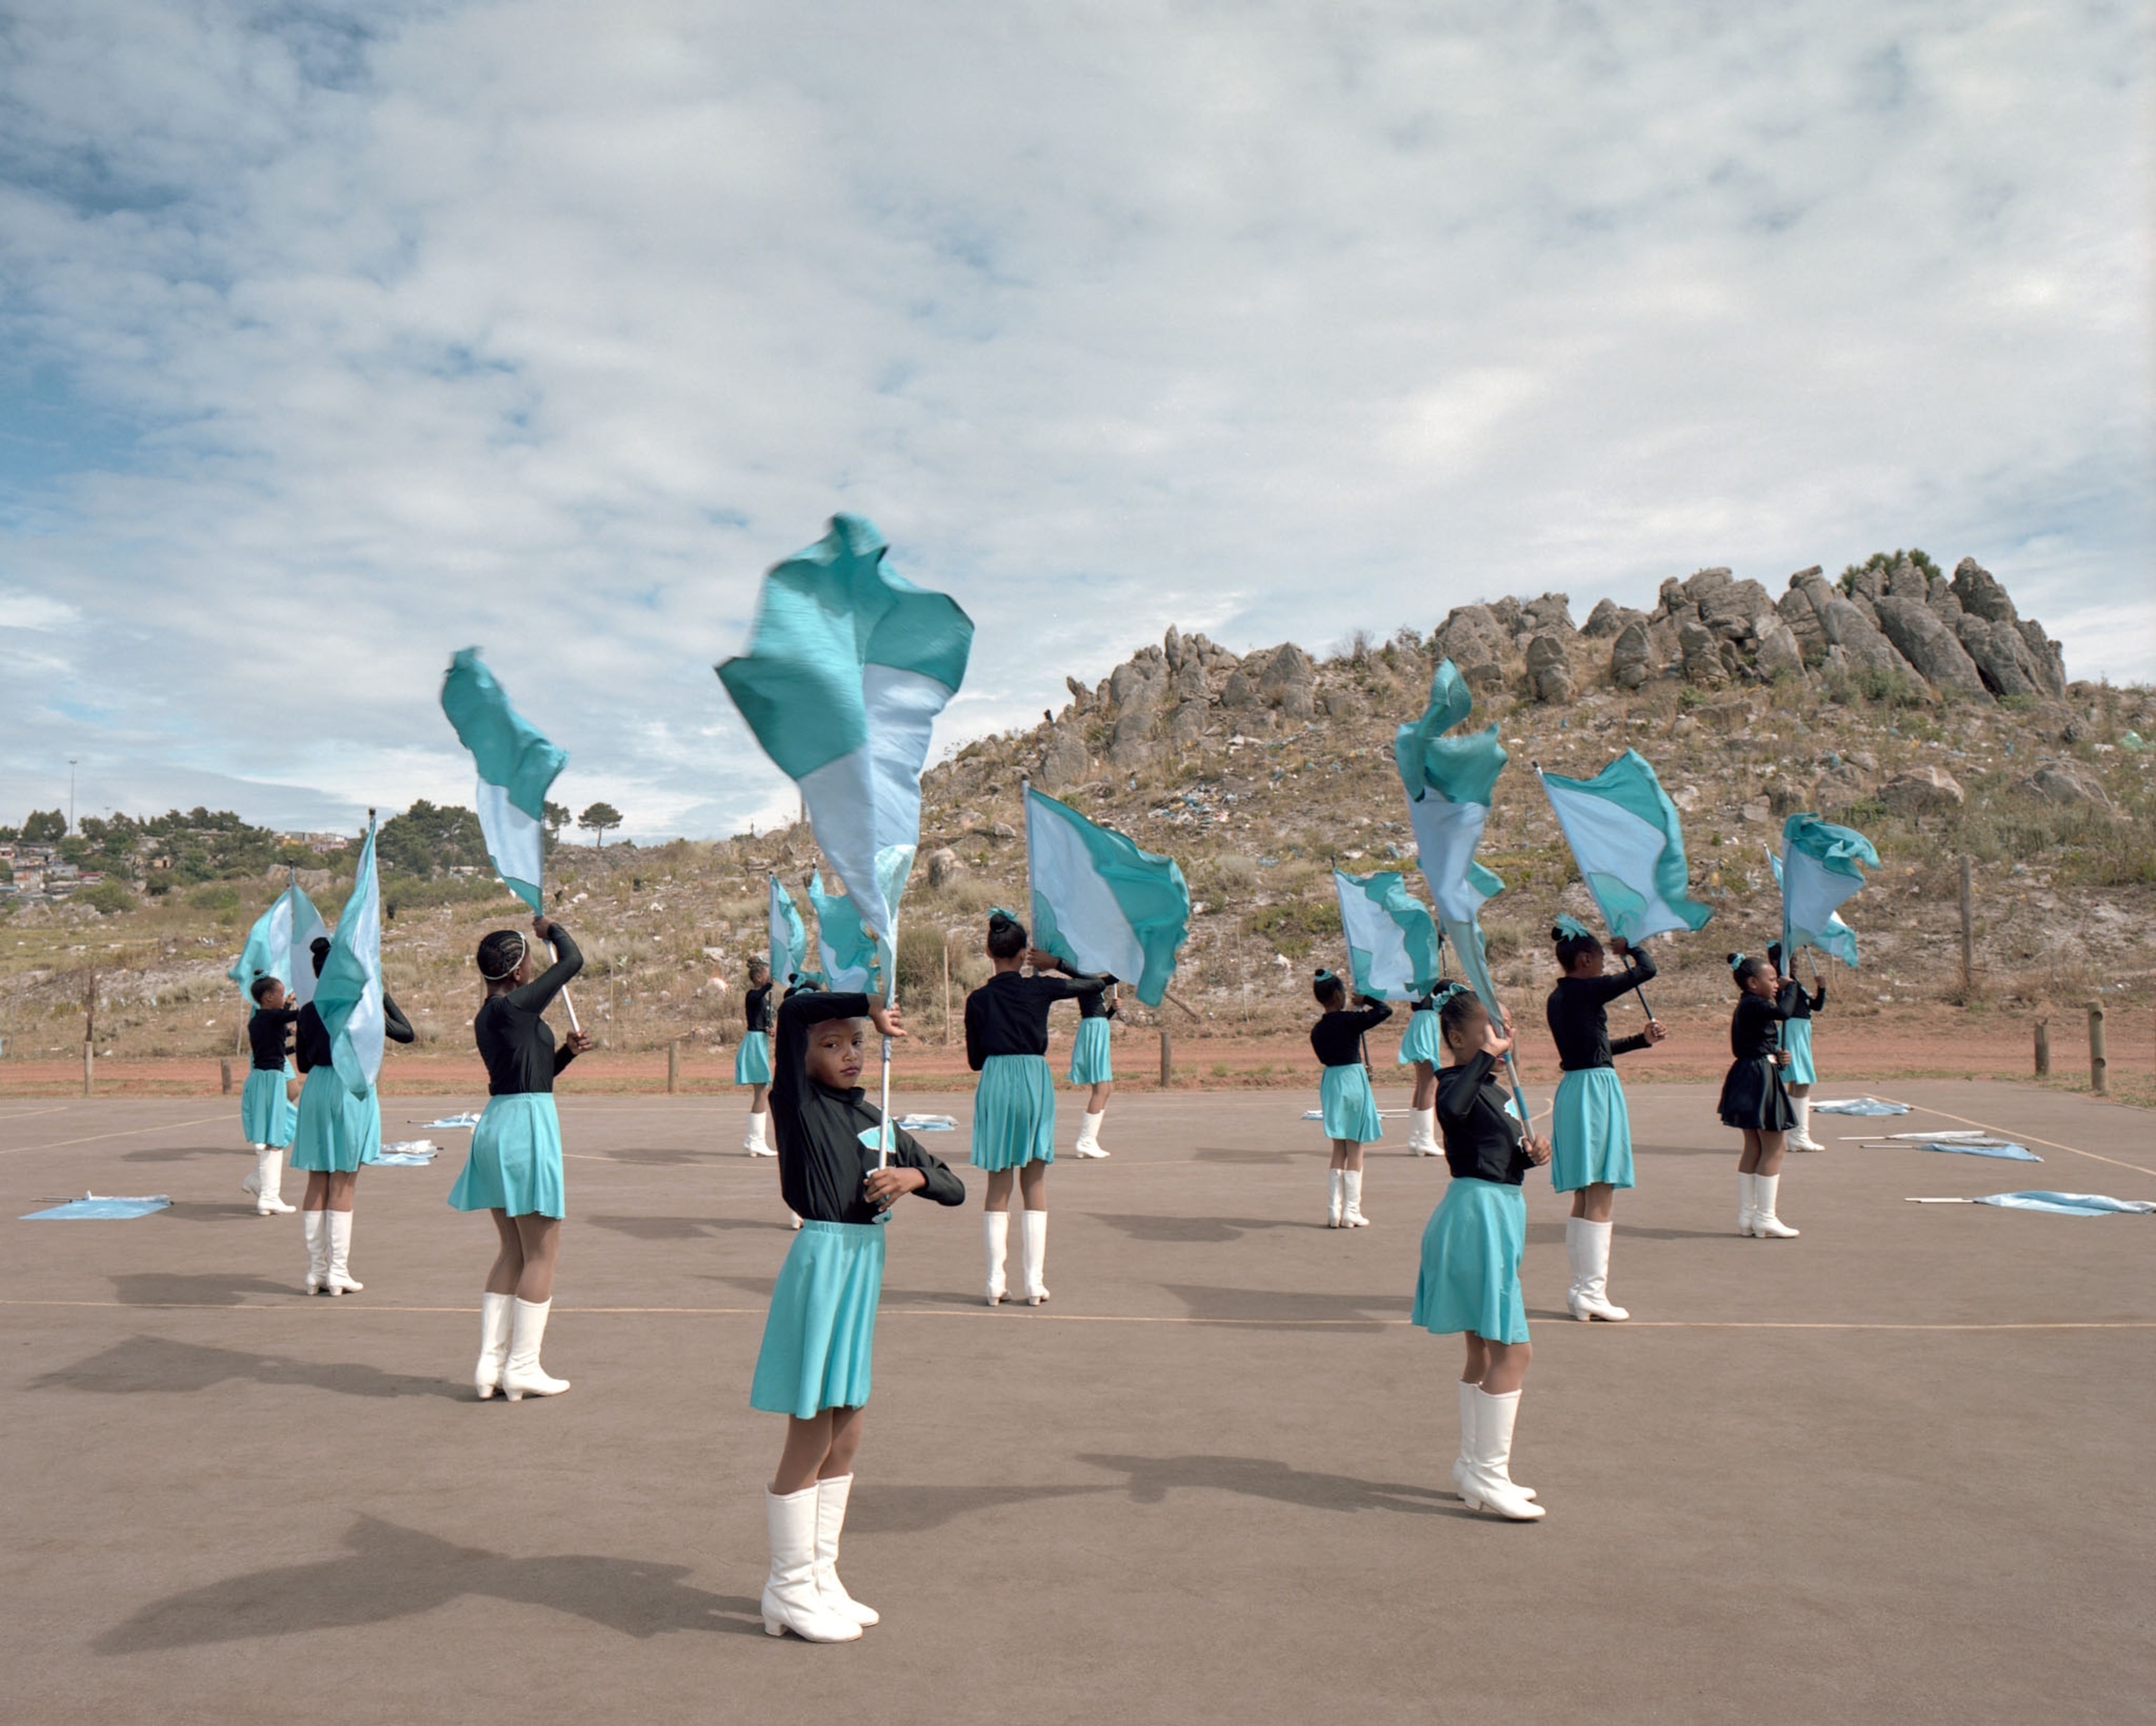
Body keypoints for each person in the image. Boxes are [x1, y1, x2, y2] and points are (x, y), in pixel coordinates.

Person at [752, 987, 964, 1642]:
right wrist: (871, 999)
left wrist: (913, 1179)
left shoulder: (876, 1113)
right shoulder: (799, 1101)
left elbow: (953, 1185)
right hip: (823, 1260)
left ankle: (820, 1574)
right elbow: (792, 1012)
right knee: (813, 1424)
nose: (849, 1054)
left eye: (857, 1043)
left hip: (864, 1266)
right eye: (832, 1044)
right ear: (805, 1054)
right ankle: (786, 1588)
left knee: (848, 1425)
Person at [1413, 986, 1551, 1520]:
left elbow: (1496, 1152)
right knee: (1514, 1352)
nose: (1506, 1036)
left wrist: (1530, 1155)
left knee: (1483, 1352)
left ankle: (1474, 1466)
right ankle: (1489, 1473)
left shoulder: (1495, 1087)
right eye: (1493, 1029)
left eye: (1509, 1027)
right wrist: (1489, 1057)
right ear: (1457, 1038)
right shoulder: (1455, 1081)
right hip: (1477, 1219)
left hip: (1497, 1211)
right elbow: (1447, 1106)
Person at [448, 916, 594, 1400]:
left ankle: (490, 1365)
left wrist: (566, 1054)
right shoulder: (513, 1006)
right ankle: (523, 1366)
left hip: (499, 1122)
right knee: (542, 1251)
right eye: (528, 958)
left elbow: (533, 1073)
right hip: (525, 1128)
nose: (535, 965)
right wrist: (553, 929)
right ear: (515, 970)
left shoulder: (493, 1013)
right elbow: (573, 960)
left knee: (512, 1249)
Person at [964, 910, 1106, 1306]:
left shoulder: (977, 999)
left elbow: (975, 1060)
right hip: (1032, 1078)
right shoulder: (1041, 988)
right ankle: (1034, 1283)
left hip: (994, 1079)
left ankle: (995, 1282)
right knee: (1034, 1181)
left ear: (988, 951)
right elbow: (1098, 983)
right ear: (1025, 952)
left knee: (998, 1184)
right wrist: (1056, 964)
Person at [1545, 920, 1667, 1322]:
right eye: (1598, 960)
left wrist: (1640, 1041)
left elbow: (1595, 1046)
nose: (1602, 966)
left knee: (1586, 1190)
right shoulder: (1587, 988)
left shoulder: (1560, 996)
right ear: (1584, 960)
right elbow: (1646, 971)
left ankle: (1583, 1289)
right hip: (1595, 1092)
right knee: (1601, 1187)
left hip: (1576, 1088)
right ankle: (1591, 1292)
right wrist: (1631, 948)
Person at [288, 937, 415, 1295]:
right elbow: (407, 1034)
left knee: (318, 1179)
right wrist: (382, 996)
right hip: (349, 1089)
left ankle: (315, 1270)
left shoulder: (310, 1010)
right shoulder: (361, 1009)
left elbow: (304, 1062)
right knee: (343, 1181)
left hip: (316, 1089)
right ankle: (338, 1271)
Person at [1719, 952, 1799, 1238]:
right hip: (1757, 1076)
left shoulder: (1750, 1004)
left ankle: (1747, 1216)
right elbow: (1785, 1013)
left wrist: (1777, 1057)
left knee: (1754, 1145)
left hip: (1751, 1071)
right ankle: (1765, 1217)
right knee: (1775, 1145)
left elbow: (1758, 1042)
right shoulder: (1755, 1003)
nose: (1777, 983)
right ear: (1753, 983)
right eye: (1772, 979)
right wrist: (1793, 989)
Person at [1309, 970, 1391, 1227]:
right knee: (1356, 1145)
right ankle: (1351, 1211)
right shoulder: (1351, 1021)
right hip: (1353, 1080)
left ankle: (1334, 1210)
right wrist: (1367, 999)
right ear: (1338, 994)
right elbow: (1385, 1010)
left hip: (1332, 1081)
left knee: (1339, 1146)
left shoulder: (1318, 1030)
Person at [239, 975, 300, 1216]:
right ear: (268, 996)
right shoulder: (271, 1016)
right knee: (275, 1137)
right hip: (271, 1080)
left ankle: (259, 1181)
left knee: (280, 1131)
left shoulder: (259, 1020)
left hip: (262, 1079)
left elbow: (278, 1046)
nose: (285, 998)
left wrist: (295, 1045)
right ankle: (269, 1196)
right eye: (282, 994)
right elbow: (297, 1015)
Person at [1767, 942, 1828, 1151]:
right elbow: (1786, 1008)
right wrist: (1788, 984)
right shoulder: (1780, 983)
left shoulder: (1794, 983)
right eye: (1792, 961)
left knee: (1798, 1082)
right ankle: (1799, 1136)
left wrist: (1821, 988)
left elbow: (1815, 1006)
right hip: (1792, 1030)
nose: (1796, 965)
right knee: (1801, 1081)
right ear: (1778, 963)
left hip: (1802, 1030)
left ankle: (1796, 1136)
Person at [1066, 970, 1119, 1159]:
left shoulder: (1090, 980)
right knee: (1102, 1087)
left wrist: (1112, 1010)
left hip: (1098, 1025)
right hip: (1093, 1028)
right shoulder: (1085, 979)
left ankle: (1090, 1139)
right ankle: (1085, 1140)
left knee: (1107, 1087)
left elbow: (1099, 1012)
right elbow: (1112, 978)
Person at [738, 957, 778, 1157]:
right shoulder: (753, 994)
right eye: (766, 973)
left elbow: (761, 1017)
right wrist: (771, 983)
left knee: (762, 1089)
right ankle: (756, 1140)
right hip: (754, 1042)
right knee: (761, 1089)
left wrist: (768, 1028)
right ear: (758, 976)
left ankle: (754, 1140)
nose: (768, 977)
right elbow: (759, 995)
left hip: (760, 1039)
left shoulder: (761, 998)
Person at [1397, 988, 1444, 1157]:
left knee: (1423, 1083)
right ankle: (1425, 1139)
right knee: (1429, 1083)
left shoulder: (1416, 977)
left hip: (1422, 1020)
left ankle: (1416, 1137)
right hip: (1426, 1021)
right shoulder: (1425, 975)